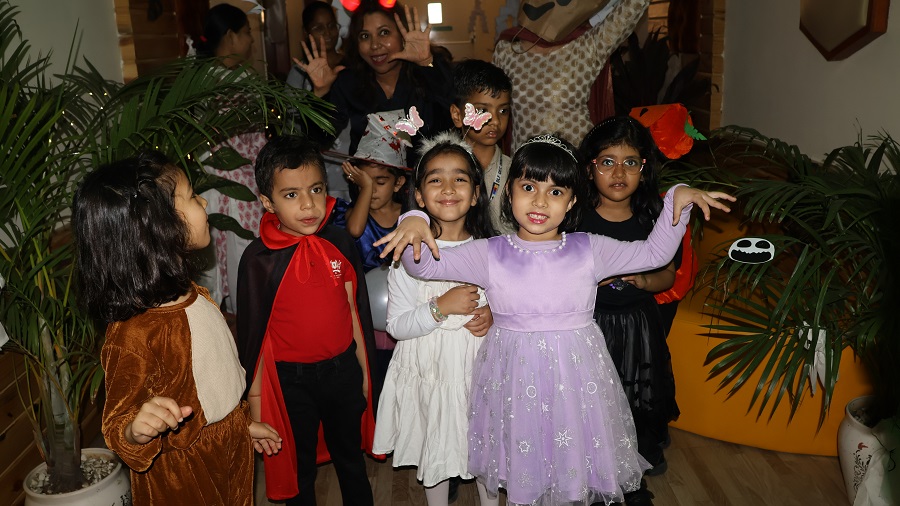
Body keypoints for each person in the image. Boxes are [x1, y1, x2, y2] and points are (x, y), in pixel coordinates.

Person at [375, 134, 734, 505]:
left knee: (569, 462)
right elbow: (421, 266)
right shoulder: (488, 252)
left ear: (573, 201)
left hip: (574, 379)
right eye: (529, 186)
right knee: (523, 463)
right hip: (514, 377)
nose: (540, 201)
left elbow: (654, 252)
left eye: (557, 192)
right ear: (509, 192)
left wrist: (677, 197)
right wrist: (415, 218)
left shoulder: (589, 248)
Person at [73, 151, 282, 505]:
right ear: (157, 230)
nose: (203, 200)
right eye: (190, 196)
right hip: (182, 476)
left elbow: (210, 382)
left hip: (228, 450)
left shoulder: (196, 297)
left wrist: (238, 426)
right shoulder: (134, 334)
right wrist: (134, 430)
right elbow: (116, 423)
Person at [235, 135, 378, 505]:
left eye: (315, 189)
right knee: (301, 470)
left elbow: (354, 313)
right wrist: (255, 399)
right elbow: (258, 334)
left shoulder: (341, 244)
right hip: (290, 382)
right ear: (267, 202)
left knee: (351, 460)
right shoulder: (258, 260)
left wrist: (364, 373)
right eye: (291, 195)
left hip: (342, 371)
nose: (308, 204)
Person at [372, 132, 496, 506]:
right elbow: (396, 326)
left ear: (475, 193)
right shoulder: (409, 253)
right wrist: (440, 307)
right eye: (435, 179)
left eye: (460, 178)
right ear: (420, 197)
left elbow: (517, 302)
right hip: (430, 371)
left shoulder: (492, 251)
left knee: (488, 451)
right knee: (436, 448)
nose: (448, 187)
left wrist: (495, 314)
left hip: (480, 371)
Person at [576, 116, 683, 505]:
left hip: (639, 324)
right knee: (595, 399)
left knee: (638, 396)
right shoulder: (574, 217)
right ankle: (596, 466)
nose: (618, 172)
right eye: (607, 162)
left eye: (630, 162)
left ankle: (637, 459)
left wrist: (642, 279)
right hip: (589, 325)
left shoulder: (655, 215)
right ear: (589, 168)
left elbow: (667, 275)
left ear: (644, 167)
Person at [295, 2, 454, 159]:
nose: (375, 45)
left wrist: (426, 63)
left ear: (402, 34)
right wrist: (320, 93)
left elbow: (454, 114)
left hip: (426, 180)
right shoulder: (348, 81)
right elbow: (318, 140)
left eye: (384, 32)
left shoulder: (428, 70)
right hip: (367, 183)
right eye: (365, 36)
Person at [492, 0, 650, 149]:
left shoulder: (588, 45)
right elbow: (490, 104)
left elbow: (634, 6)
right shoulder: (506, 51)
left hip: (574, 162)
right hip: (528, 166)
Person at [195, 3, 268, 312]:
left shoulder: (238, 77)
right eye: (247, 32)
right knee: (231, 260)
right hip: (226, 182)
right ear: (231, 36)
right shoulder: (209, 81)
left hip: (242, 181)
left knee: (241, 262)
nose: (251, 40)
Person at [286, 1, 352, 202]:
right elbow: (292, 122)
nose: (328, 33)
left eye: (332, 25)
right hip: (316, 168)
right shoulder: (300, 73)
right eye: (319, 28)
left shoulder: (350, 66)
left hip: (351, 164)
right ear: (306, 32)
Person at [450, 59, 515, 235]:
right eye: (481, 110)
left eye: (503, 111)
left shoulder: (515, 171)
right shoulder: (441, 170)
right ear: (457, 115)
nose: (494, 120)